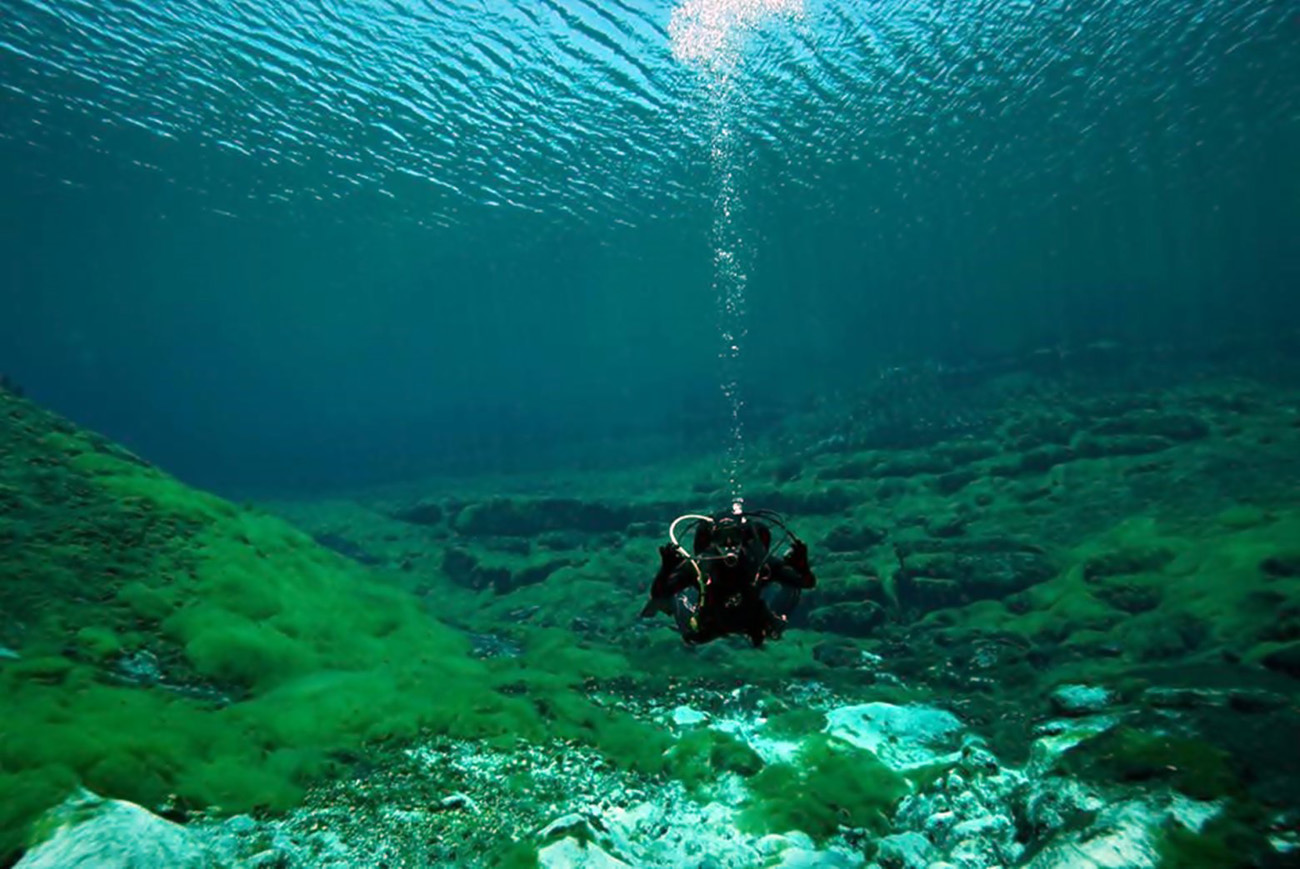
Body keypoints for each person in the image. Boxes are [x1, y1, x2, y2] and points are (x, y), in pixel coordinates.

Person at [640, 505, 816, 647]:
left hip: (753, 622)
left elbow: (806, 582)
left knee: (783, 610)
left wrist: (801, 566)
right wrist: (666, 568)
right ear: (712, 539)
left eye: (734, 536)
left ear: (744, 537)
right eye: (722, 537)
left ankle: (772, 622)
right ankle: (679, 602)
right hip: (711, 624)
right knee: (691, 635)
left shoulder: (758, 561)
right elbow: (659, 594)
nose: (729, 544)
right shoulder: (702, 564)